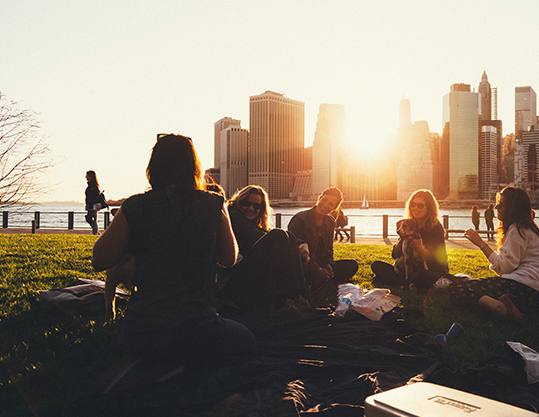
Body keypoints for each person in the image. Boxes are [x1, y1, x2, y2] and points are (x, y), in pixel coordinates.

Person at [92, 134, 256, 374]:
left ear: (153, 167)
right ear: (194, 167)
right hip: (197, 329)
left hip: (143, 332)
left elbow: (100, 260)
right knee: (247, 340)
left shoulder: (134, 206)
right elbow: (229, 258)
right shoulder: (214, 204)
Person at [443, 186, 539, 324]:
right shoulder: (525, 228)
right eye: (496, 204)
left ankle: (500, 308)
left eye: (500, 205)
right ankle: (511, 309)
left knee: (458, 289)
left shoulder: (516, 230)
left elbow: (504, 268)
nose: (496, 208)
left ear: (512, 208)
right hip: (534, 295)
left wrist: (481, 244)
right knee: (473, 286)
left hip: (522, 288)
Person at [222, 185, 308, 314]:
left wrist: (302, 243)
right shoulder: (234, 217)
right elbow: (259, 237)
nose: (251, 209)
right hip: (233, 279)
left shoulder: (251, 222)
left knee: (288, 235)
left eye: (257, 206)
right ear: (239, 202)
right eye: (247, 204)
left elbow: (265, 233)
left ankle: (297, 296)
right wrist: (290, 246)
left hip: (246, 273)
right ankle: (293, 296)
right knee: (279, 236)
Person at [371, 189, 449, 290]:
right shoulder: (408, 224)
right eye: (413, 204)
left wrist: (420, 249)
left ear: (429, 208)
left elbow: (440, 257)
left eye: (420, 206)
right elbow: (395, 255)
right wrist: (401, 240)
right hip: (408, 268)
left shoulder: (436, 228)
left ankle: (399, 283)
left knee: (422, 275)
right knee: (376, 265)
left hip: (430, 269)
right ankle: (405, 283)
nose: (415, 208)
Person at [288, 187, 358, 291]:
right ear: (319, 198)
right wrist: (318, 270)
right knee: (302, 269)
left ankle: (320, 279)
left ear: (334, 208)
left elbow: (329, 249)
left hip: (320, 262)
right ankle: (320, 279)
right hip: (303, 263)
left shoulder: (330, 221)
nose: (325, 205)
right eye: (324, 200)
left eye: (330, 204)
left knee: (352, 265)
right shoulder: (299, 219)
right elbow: (295, 251)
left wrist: (328, 264)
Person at [84, 170, 105, 235]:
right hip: (92, 204)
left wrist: (90, 206)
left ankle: (95, 232)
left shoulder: (92, 186)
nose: (86, 177)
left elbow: (92, 197)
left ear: (90, 176)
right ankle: (96, 231)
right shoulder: (92, 185)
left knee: (91, 218)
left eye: (87, 176)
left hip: (93, 205)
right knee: (92, 218)